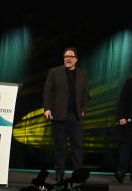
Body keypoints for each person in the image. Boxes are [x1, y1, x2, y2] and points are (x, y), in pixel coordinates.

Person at [43, 47, 90, 183]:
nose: (67, 59)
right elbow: (48, 91)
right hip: (58, 115)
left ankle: (78, 174)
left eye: (70, 56)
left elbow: (86, 94)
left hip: (75, 116)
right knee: (59, 146)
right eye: (65, 57)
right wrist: (47, 108)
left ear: (76, 59)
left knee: (77, 146)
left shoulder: (82, 74)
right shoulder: (54, 72)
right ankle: (59, 173)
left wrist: (83, 109)